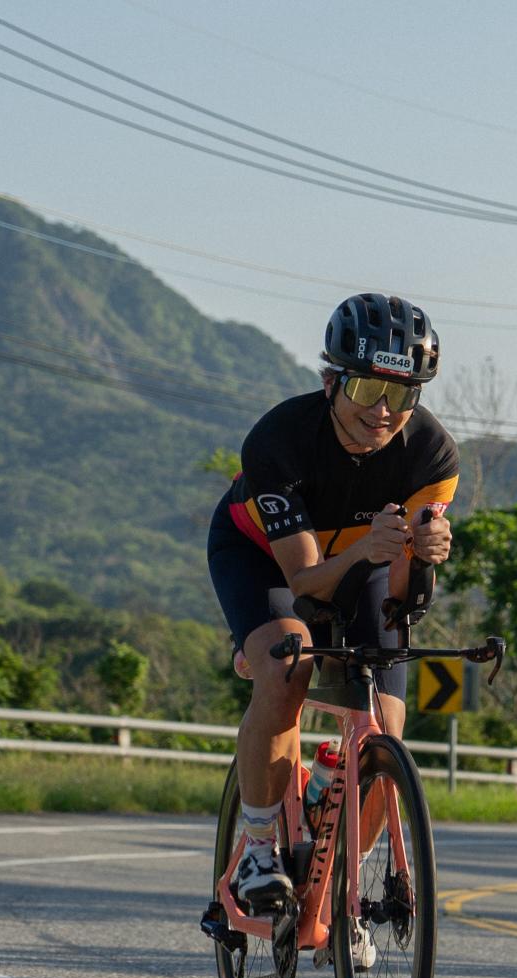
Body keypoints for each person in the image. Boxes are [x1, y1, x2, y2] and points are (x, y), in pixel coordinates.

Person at [207, 292, 457, 915]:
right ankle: (259, 846)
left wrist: (424, 554)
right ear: (331, 382)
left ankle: (341, 883)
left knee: (386, 729)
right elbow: (304, 582)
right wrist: (370, 549)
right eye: (368, 389)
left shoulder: (432, 453)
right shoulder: (279, 440)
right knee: (286, 667)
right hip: (263, 558)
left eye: (401, 394)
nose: (383, 411)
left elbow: (402, 596)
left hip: (362, 561)